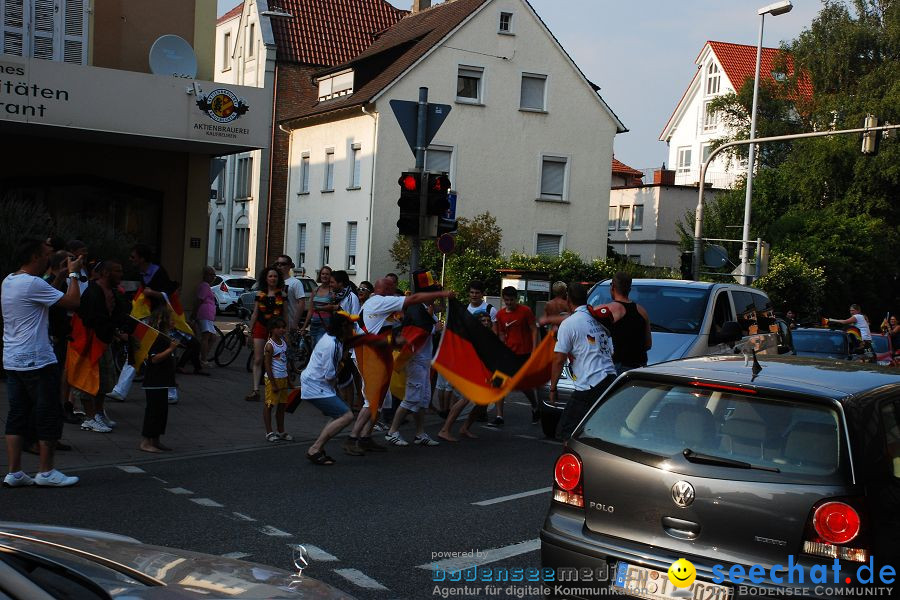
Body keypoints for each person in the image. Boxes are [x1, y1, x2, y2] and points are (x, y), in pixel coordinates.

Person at [3, 238, 82, 487]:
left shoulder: (9, 281)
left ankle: (14, 472)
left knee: (17, 414)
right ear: (36, 256)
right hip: (38, 359)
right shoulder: (33, 283)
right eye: (47, 254)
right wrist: (74, 275)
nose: (49, 258)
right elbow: (72, 302)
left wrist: (58, 277)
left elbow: (47, 296)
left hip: (13, 359)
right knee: (47, 413)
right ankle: (46, 471)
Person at [344, 277, 453, 455]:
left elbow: (395, 323)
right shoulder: (380, 301)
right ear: (386, 288)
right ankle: (352, 438)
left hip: (376, 355)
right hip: (369, 357)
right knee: (372, 400)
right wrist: (443, 293)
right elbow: (413, 301)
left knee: (382, 401)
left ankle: (366, 437)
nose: (396, 289)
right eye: (393, 286)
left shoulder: (377, 304)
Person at [548, 282, 625, 440]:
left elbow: (558, 360)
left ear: (568, 300)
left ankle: (574, 462)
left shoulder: (569, 324)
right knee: (596, 431)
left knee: (565, 432)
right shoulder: (597, 319)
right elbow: (611, 350)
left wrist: (553, 388)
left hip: (590, 383)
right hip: (610, 379)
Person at [72, 260, 132, 433]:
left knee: (104, 381)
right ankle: (90, 418)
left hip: (103, 341)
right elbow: (91, 319)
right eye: (117, 270)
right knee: (87, 380)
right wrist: (114, 331)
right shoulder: (92, 292)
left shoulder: (113, 292)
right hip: (88, 344)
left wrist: (119, 330)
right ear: (106, 273)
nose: (121, 274)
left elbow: (118, 315)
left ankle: (98, 413)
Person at [385, 272, 442, 447]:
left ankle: (420, 433)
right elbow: (414, 334)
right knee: (411, 398)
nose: (434, 295)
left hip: (424, 360)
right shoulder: (416, 309)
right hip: (415, 359)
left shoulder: (424, 307)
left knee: (423, 399)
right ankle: (392, 431)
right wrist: (434, 329)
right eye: (432, 291)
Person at [299, 312, 359, 465]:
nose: (353, 328)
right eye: (351, 325)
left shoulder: (334, 340)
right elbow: (330, 375)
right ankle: (315, 448)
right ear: (343, 327)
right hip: (316, 385)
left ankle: (318, 448)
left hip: (318, 384)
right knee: (347, 416)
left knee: (339, 415)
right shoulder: (331, 344)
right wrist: (335, 389)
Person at [437, 309, 495, 442]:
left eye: (488, 320)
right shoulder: (471, 336)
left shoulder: (488, 336)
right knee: (465, 399)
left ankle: (464, 427)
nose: (486, 323)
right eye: (483, 321)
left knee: (483, 403)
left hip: (481, 373)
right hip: (468, 372)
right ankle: (445, 430)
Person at [491, 286, 539, 426]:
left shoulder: (525, 311)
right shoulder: (500, 315)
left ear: (516, 299)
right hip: (508, 355)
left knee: (523, 385)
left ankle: (535, 406)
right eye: (506, 300)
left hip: (523, 353)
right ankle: (499, 416)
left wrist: (535, 350)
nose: (509, 303)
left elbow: (534, 330)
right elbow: (500, 333)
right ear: (503, 299)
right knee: (498, 383)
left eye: (511, 300)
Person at [140, 306, 179, 453]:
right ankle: (145, 441)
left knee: (162, 412)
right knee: (153, 412)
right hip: (154, 381)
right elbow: (154, 359)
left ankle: (155, 440)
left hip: (163, 381)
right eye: (171, 319)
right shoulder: (157, 337)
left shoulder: (165, 336)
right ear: (163, 320)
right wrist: (171, 349)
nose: (174, 321)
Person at [246, 267, 287, 402]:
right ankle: (255, 389)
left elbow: (285, 315)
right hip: (261, 327)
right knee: (258, 359)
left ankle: (274, 386)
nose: (273, 279)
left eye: (275, 276)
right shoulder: (260, 294)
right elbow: (255, 313)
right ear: (266, 278)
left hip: (275, 330)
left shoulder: (282, 294)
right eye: (270, 276)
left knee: (274, 360)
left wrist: (287, 331)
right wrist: (250, 331)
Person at [609, 272, 652, 374]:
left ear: (612, 287)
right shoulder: (642, 311)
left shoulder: (610, 309)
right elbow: (648, 344)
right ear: (629, 289)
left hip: (620, 366)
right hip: (641, 366)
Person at [263, 317, 293, 442]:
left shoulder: (283, 343)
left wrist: (289, 380)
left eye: (283, 327)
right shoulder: (270, 346)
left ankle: (281, 431)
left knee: (282, 406)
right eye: (278, 327)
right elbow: (268, 365)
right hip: (273, 379)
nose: (282, 330)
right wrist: (273, 384)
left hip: (283, 379)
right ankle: (269, 432)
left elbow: (284, 362)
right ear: (272, 329)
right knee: (269, 405)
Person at [302, 265, 336, 347]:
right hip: (314, 322)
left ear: (330, 276)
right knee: (313, 345)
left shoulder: (332, 291)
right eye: (323, 274)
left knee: (319, 345)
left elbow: (334, 308)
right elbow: (310, 310)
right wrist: (304, 326)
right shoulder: (315, 290)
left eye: (327, 274)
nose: (324, 276)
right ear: (320, 275)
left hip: (325, 322)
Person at [274, 255, 307, 332]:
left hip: (288, 323)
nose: (279, 266)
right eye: (278, 264)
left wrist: (295, 323)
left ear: (289, 266)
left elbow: (301, 303)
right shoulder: (273, 281)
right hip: (274, 323)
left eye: (283, 264)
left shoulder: (295, 283)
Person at [194, 266, 218, 366]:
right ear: (206, 275)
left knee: (212, 337)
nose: (213, 277)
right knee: (206, 337)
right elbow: (199, 300)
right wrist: (194, 314)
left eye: (214, 275)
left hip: (208, 315)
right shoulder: (204, 286)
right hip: (205, 314)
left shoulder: (207, 286)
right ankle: (203, 359)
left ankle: (202, 357)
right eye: (212, 275)